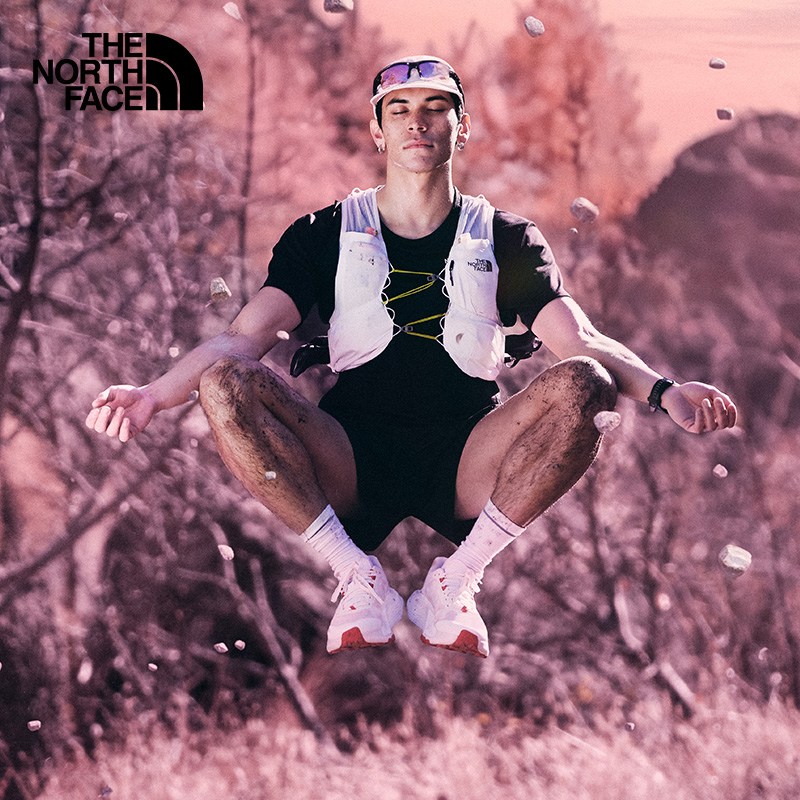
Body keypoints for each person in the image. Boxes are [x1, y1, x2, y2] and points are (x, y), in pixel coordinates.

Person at [86, 56, 737, 658]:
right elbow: (241, 340)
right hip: (349, 454)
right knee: (225, 381)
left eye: (434, 108)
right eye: (398, 110)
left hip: (467, 456)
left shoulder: (506, 238)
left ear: (462, 127)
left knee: (586, 385)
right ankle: (357, 577)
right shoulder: (322, 235)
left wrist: (665, 391)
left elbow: (581, 341)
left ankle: (454, 584)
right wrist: (152, 395)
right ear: (378, 130)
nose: (416, 122)